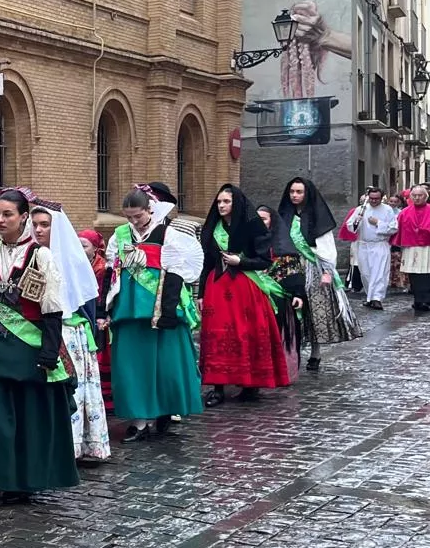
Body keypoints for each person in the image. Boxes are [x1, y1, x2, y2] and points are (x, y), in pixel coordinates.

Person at [0, 189, 78, 503]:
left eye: (8, 214)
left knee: (24, 420)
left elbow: (51, 308)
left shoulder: (41, 255)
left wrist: (49, 352)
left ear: (24, 217)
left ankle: (20, 482)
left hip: (26, 350)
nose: (1, 219)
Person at [104, 183, 204, 441]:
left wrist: (169, 311)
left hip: (161, 308)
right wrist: (105, 309)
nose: (134, 222)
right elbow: (110, 273)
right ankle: (138, 420)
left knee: (166, 364)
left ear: (150, 209)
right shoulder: (119, 236)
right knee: (133, 366)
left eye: (138, 216)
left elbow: (176, 273)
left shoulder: (168, 234)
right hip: (128, 310)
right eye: (129, 217)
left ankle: (165, 409)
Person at [28, 200, 107, 466]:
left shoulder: (71, 258)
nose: (38, 230)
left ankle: (77, 444)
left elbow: (86, 303)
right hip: (37, 329)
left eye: (44, 225)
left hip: (68, 332)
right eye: (34, 225)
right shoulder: (30, 255)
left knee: (73, 391)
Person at [198, 185, 290, 405]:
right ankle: (217, 386)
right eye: (219, 202)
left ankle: (250, 384)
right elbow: (207, 262)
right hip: (216, 287)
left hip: (245, 287)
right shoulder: (212, 228)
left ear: (236, 202)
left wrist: (242, 262)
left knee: (244, 334)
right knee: (217, 335)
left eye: (226, 202)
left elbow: (264, 260)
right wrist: (201, 293)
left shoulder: (252, 226)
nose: (221, 206)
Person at [272, 177, 359, 365]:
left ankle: (315, 352)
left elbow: (327, 248)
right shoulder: (285, 215)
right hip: (289, 267)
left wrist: (327, 273)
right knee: (288, 309)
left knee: (313, 310)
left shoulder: (317, 216)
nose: (295, 195)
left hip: (313, 267)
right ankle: (289, 350)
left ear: (307, 194)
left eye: (299, 192)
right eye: (292, 192)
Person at [392, 184, 430, 313]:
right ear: (411, 197)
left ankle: (428, 300)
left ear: (426, 197)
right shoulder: (405, 212)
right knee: (415, 274)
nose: (417, 198)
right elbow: (399, 229)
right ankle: (418, 300)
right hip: (412, 247)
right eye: (414, 195)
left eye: (420, 195)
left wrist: (426, 231)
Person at [77, 228, 114, 416]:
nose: (80, 249)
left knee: (101, 355)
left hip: (100, 316)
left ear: (95, 249)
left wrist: (103, 315)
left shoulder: (104, 268)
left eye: (84, 245)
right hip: (83, 315)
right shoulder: (76, 265)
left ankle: (106, 398)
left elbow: (106, 293)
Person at [346, 188, 398, 309]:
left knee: (379, 272)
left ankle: (377, 298)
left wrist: (378, 223)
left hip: (380, 245)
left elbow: (393, 228)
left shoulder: (388, 210)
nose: (374, 201)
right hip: (363, 245)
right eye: (372, 198)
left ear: (382, 198)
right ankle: (370, 297)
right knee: (366, 273)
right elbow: (350, 226)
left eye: (377, 199)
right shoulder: (360, 210)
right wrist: (356, 222)